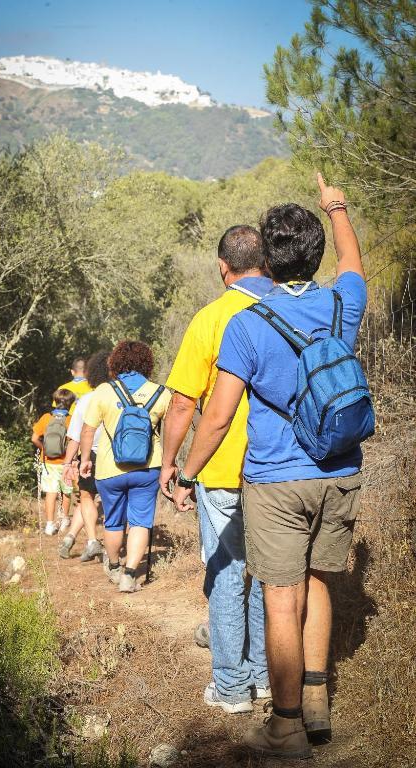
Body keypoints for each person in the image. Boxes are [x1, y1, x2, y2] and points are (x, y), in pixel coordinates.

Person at [172, 174, 367, 759]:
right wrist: (336, 205)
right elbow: (352, 259)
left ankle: (285, 728)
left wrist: (187, 472)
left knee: (281, 597)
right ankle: (315, 702)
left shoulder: (246, 326)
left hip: (276, 481)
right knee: (320, 583)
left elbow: (218, 418)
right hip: (338, 471)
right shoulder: (342, 303)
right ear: (314, 253)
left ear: (266, 260)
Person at [160, 225, 271, 714]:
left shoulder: (210, 318)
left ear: (223, 267)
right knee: (270, 574)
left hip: (223, 470)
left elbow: (184, 404)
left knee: (228, 575)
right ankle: (267, 676)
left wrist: (172, 465)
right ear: (266, 262)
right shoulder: (287, 306)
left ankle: (231, 686)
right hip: (279, 470)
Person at [79, 340, 171, 593]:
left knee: (113, 521)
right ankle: (130, 574)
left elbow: (88, 430)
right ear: (147, 363)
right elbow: (171, 431)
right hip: (147, 468)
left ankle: (114, 565)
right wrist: (169, 463)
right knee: (141, 521)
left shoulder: (104, 391)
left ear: (116, 362)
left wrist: (85, 459)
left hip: (110, 469)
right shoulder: (161, 393)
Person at [58, 350, 111, 561]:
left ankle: (91, 541)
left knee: (87, 498)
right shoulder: (122, 398)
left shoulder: (86, 400)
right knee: (106, 501)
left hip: (91, 456)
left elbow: (76, 437)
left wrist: (67, 463)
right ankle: (70, 539)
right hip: (116, 457)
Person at [32, 388, 75, 535]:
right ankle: (64, 520)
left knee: (50, 492)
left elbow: (34, 438)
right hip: (66, 463)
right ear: (71, 403)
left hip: (48, 462)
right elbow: (74, 441)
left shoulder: (46, 418)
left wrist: (44, 448)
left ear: (55, 401)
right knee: (66, 492)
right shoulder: (71, 419)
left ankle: (50, 525)